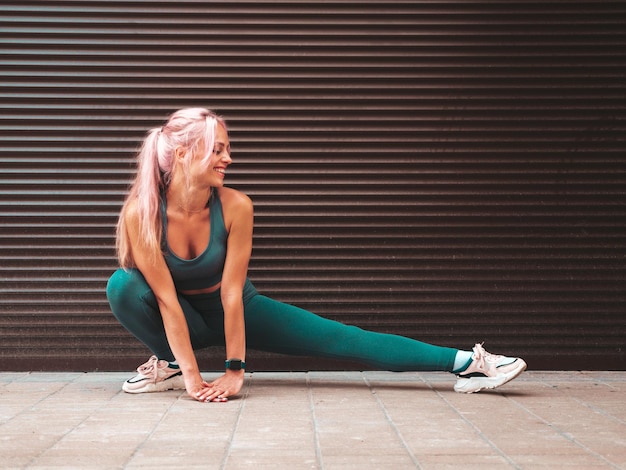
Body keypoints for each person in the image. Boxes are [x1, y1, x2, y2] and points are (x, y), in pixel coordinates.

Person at [106, 107, 527, 404]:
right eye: (217, 149)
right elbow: (164, 301)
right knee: (124, 285)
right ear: (182, 154)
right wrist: (196, 381)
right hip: (180, 317)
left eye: (227, 148)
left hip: (238, 309)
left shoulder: (236, 206)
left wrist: (235, 371)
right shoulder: (141, 214)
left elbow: (232, 295)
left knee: (341, 338)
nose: (228, 158)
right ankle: (173, 364)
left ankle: (468, 364)